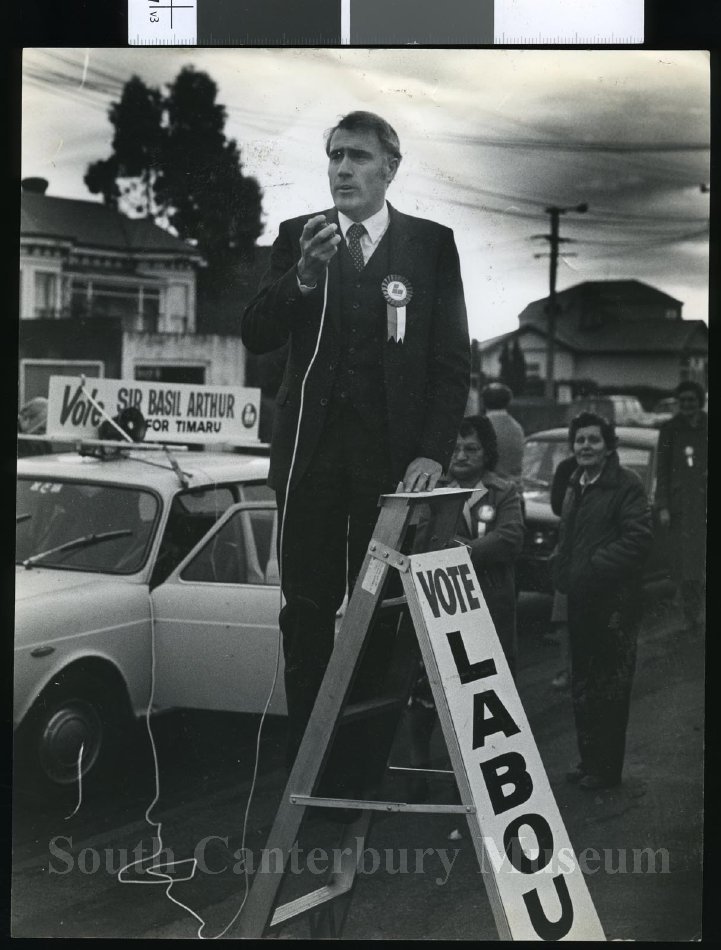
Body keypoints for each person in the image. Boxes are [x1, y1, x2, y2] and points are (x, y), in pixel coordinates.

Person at [241, 111, 470, 780]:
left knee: (375, 612)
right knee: (305, 613)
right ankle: (305, 764)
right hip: (310, 459)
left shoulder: (429, 245)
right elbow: (255, 331)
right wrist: (303, 279)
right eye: (335, 155)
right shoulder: (298, 237)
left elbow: (450, 363)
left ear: (388, 168)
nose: (342, 168)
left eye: (358, 157)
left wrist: (430, 451)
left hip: (388, 466)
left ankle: (359, 764)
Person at [407, 415, 524, 826]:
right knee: (428, 692)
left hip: (489, 610)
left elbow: (510, 538)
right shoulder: (434, 493)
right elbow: (418, 542)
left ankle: (478, 781)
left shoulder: (504, 491)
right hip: (441, 609)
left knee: (484, 697)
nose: (461, 455)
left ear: (487, 452)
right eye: (455, 448)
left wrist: (466, 553)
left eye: (471, 449)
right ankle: (419, 770)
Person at [554, 412, 653, 791]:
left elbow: (638, 540)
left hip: (614, 603)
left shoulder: (626, 485)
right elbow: (568, 536)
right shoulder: (575, 483)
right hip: (581, 599)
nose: (585, 447)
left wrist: (593, 566)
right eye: (579, 440)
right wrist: (563, 572)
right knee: (583, 683)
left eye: (593, 440)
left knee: (609, 685)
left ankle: (607, 769)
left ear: (609, 446)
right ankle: (588, 759)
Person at [655, 380, 707, 637]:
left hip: (705, 504)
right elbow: (661, 469)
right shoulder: (669, 430)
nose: (688, 405)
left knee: (701, 562)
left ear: (700, 401)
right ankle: (691, 616)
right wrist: (662, 505)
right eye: (683, 400)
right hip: (682, 507)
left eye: (692, 400)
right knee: (687, 564)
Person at [482, 382, 525, 488]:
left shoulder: (481, 426)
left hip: (491, 491)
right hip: (515, 489)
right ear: (508, 401)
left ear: (483, 401)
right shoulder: (517, 428)